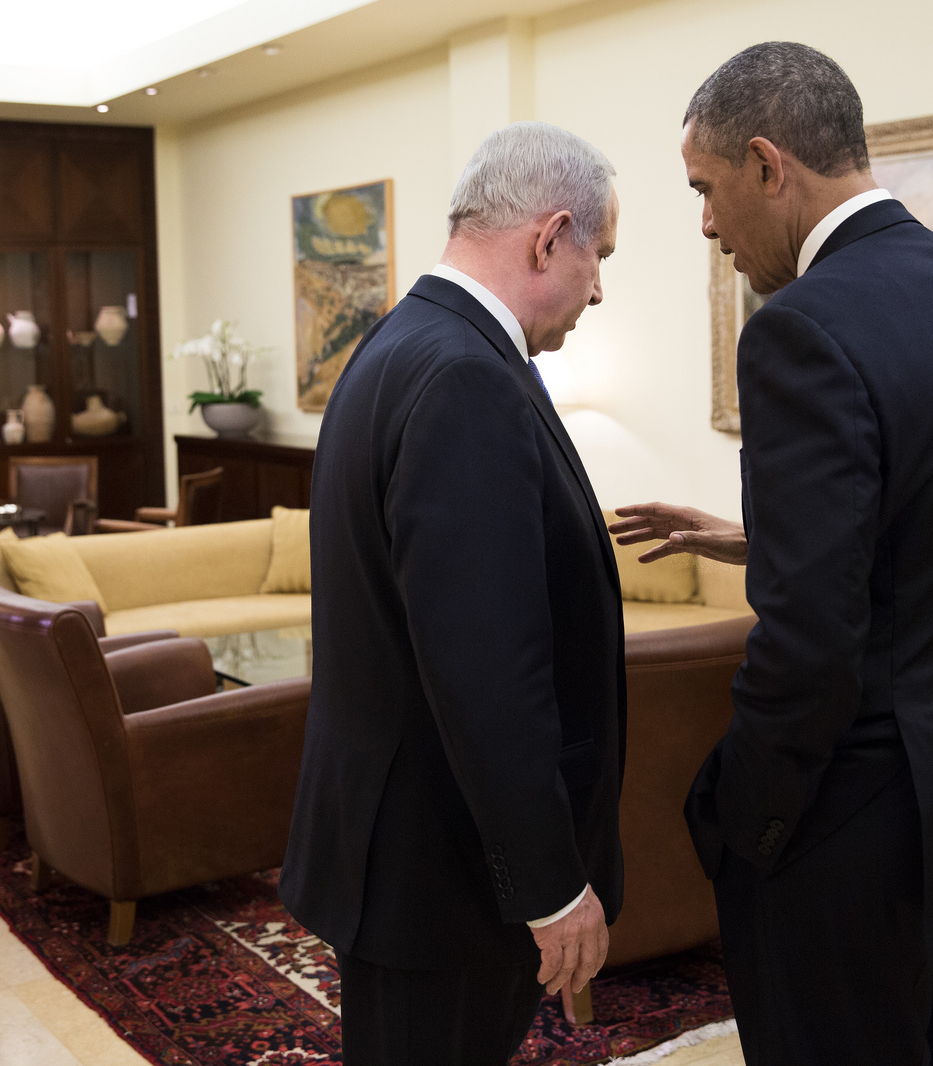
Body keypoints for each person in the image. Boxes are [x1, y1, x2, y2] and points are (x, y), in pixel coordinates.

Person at [610, 42, 933, 1065]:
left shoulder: (799, 330)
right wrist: (758, 537)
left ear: (768, 165)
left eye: (704, 189)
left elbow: (810, 641)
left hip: (856, 829)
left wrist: (751, 817)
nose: (704, 224)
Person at [279, 122, 626, 1065]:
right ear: (550, 236)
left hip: (403, 852)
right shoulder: (468, 375)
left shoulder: (402, 342)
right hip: (442, 869)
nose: (599, 287)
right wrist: (552, 887)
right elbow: (485, 666)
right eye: (599, 255)